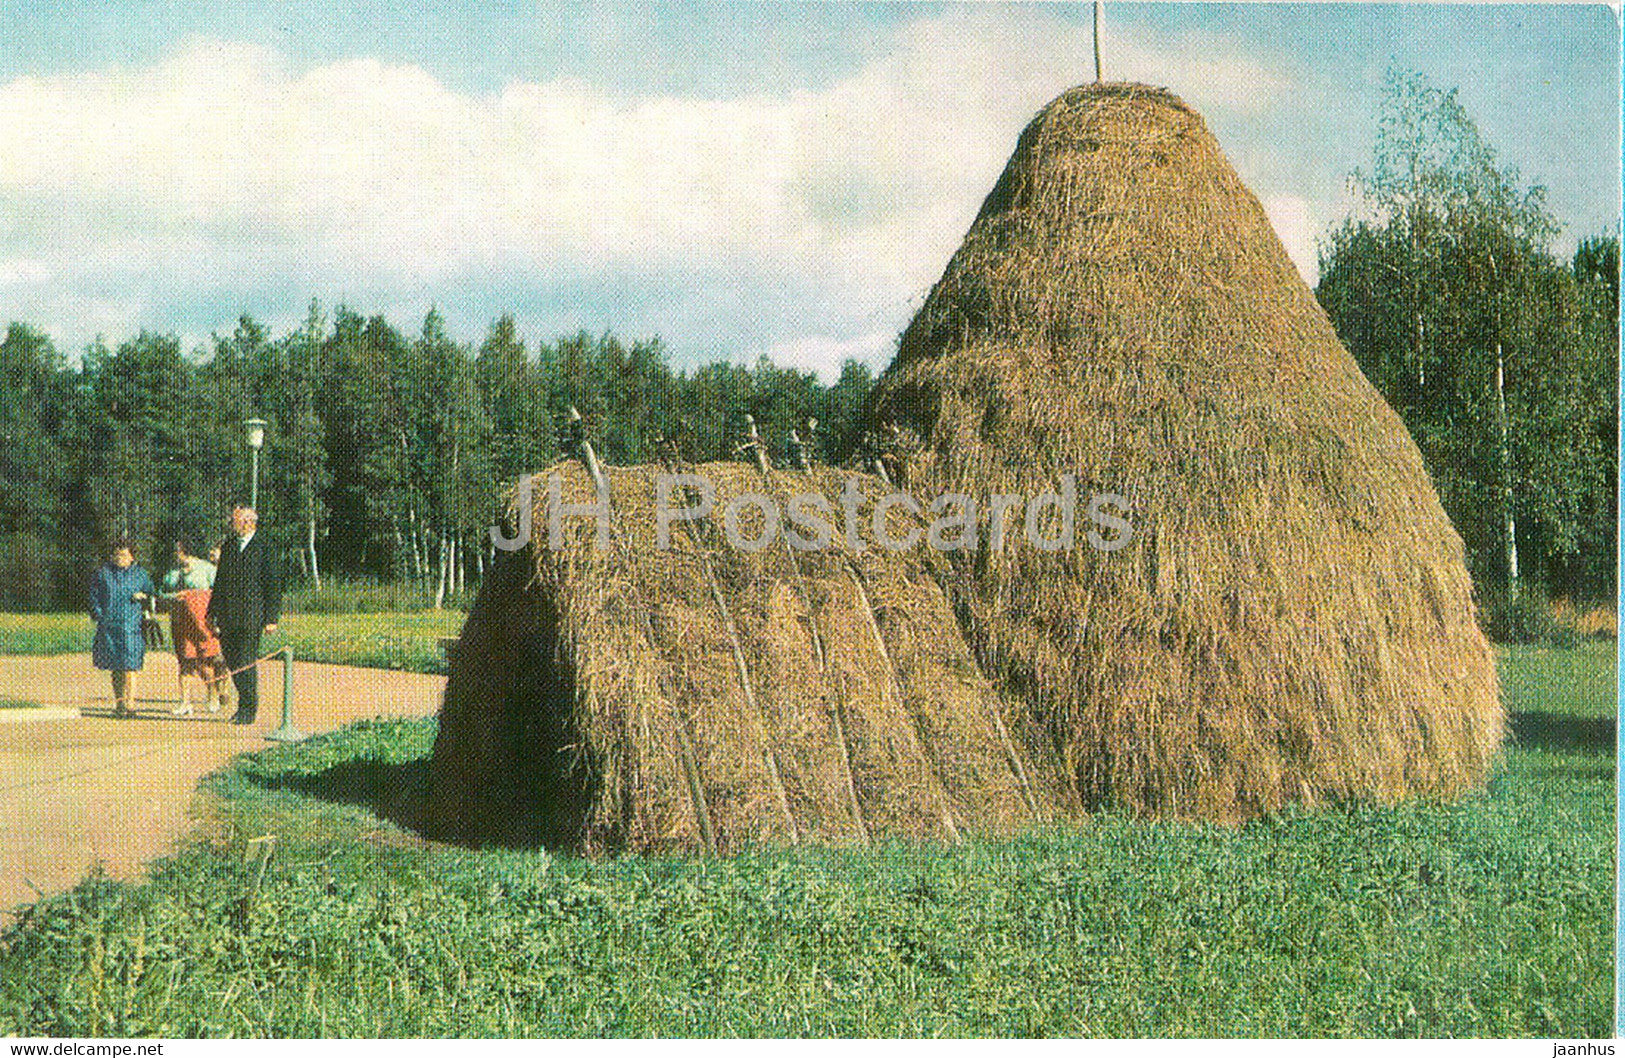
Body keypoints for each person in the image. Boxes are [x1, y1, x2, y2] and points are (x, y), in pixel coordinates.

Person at [207, 505, 281, 726]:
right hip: (228, 615)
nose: (232, 524)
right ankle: (244, 704)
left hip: (252, 615)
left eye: (235, 520)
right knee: (232, 660)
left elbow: (273, 584)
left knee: (245, 660)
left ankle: (248, 709)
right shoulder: (229, 546)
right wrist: (212, 612)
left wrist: (271, 618)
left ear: (249, 522)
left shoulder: (265, 547)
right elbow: (220, 582)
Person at [158, 537, 226, 716]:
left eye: (178, 551)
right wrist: (174, 596)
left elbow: (221, 592)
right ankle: (185, 702)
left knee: (205, 662)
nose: (176, 555)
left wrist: (199, 597)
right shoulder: (172, 573)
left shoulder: (207, 569)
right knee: (184, 662)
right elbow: (161, 593)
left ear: (185, 551)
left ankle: (213, 694)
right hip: (181, 621)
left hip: (202, 622)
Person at [89, 537, 155, 717]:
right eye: (117, 555)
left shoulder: (140, 574)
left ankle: (131, 705)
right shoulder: (103, 573)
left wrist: (143, 596)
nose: (120, 558)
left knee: (130, 665)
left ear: (132, 556)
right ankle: (119, 704)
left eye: (124, 555)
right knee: (115, 666)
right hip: (109, 626)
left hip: (131, 626)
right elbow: (94, 598)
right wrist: (100, 616)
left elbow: (151, 593)